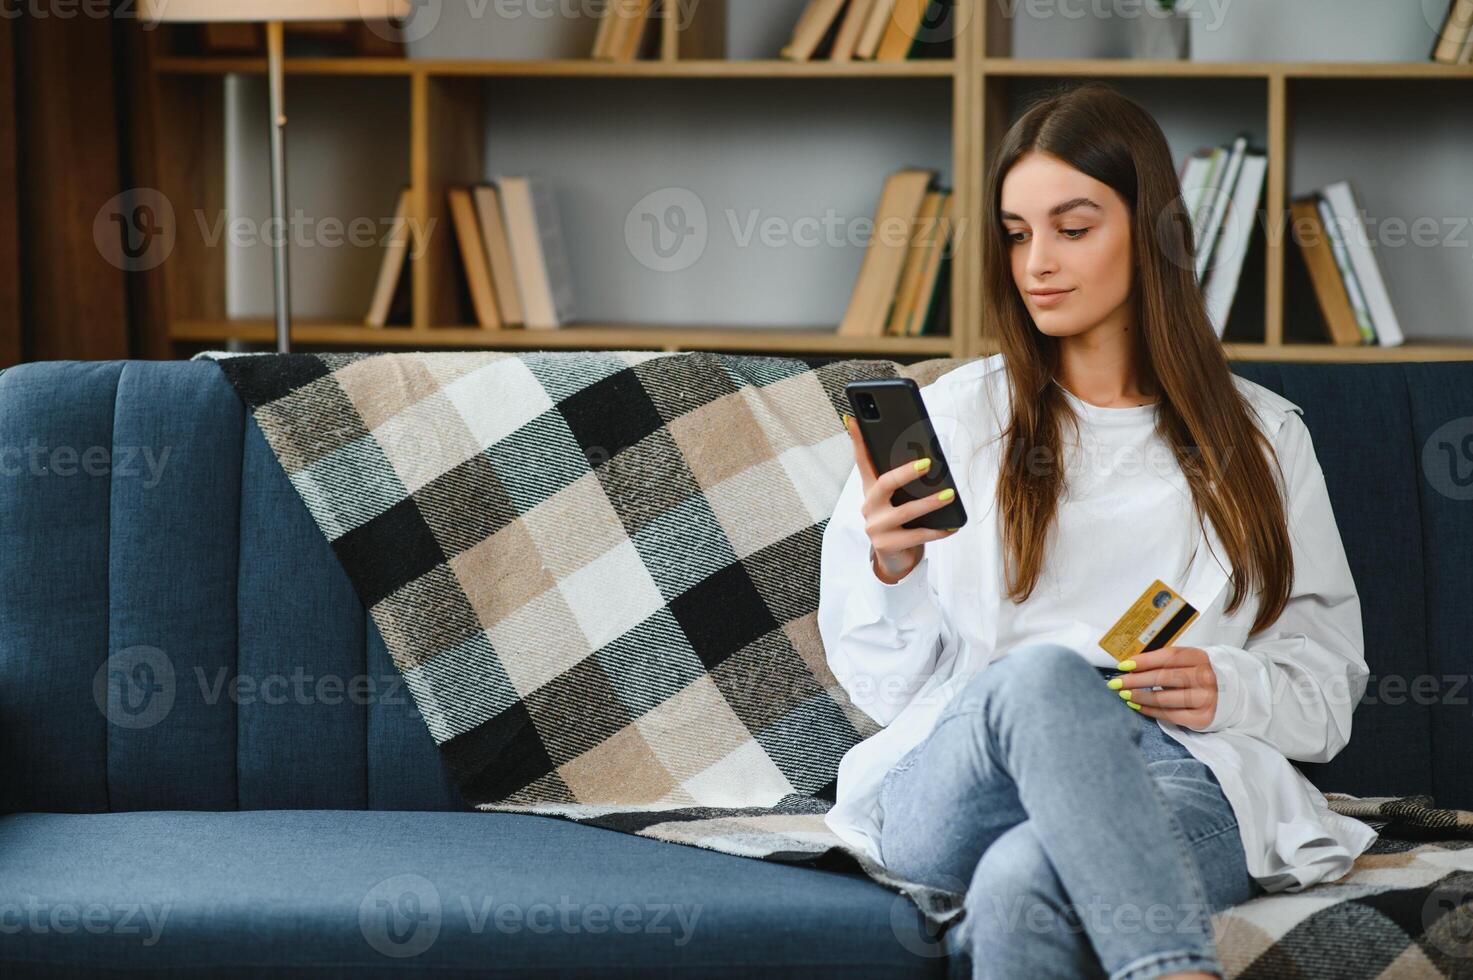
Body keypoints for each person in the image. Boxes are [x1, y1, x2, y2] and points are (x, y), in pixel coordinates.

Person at [816, 82, 1376, 980]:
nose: (1035, 261)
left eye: (1071, 229)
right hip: (963, 782)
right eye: (1015, 233)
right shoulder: (955, 420)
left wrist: (1225, 685)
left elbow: (1325, 690)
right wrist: (892, 568)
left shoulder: (1264, 439)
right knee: (1042, 677)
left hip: (1175, 776)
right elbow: (887, 691)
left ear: (1151, 235)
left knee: (1021, 881)